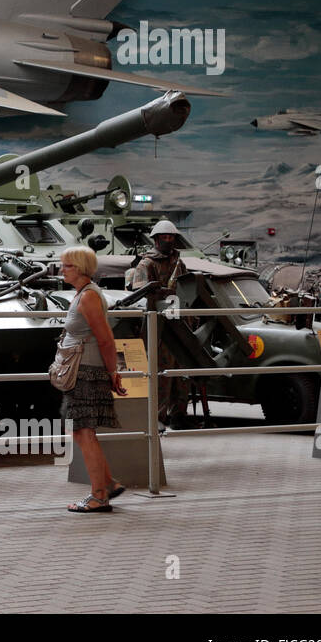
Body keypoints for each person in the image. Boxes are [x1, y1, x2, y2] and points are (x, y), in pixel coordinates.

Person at [59, 246, 127, 513]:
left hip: (86, 371)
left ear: (80, 268)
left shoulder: (88, 297)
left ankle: (99, 495)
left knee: (84, 432)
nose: (62, 269)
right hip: (82, 370)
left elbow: (106, 338)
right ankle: (108, 484)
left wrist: (113, 372)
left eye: (67, 265)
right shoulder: (82, 294)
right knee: (81, 431)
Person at [128, 220, 190, 427]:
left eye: (171, 237)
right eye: (164, 237)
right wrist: (158, 290)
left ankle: (179, 415)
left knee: (181, 371)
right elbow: (138, 288)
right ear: (155, 239)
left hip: (178, 321)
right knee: (160, 372)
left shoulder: (178, 263)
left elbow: (187, 285)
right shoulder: (147, 263)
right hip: (158, 323)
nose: (168, 240)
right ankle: (157, 417)